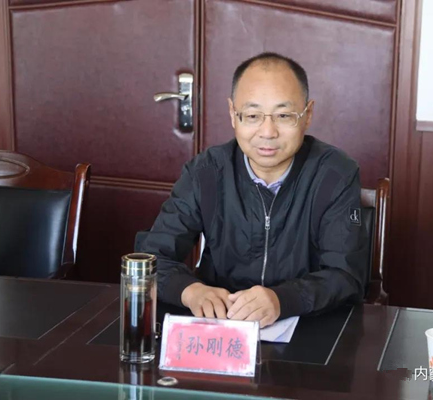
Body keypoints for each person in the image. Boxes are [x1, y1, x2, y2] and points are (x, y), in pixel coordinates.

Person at [135, 52, 367, 328]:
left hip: (308, 328)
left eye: (284, 115)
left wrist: (282, 299)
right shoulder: (206, 173)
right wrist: (191, 291)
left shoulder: (335, 174)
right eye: (253, 115)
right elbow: (150, 260)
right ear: (233, 114)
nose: (267, 132)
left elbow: (345, 275)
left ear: (307, 115)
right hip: (220, 327)